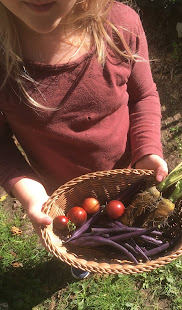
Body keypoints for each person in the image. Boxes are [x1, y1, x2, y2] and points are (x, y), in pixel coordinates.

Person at [0, 0, 168, 278]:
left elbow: (143, 96)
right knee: (78, 234)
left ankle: (97, 247)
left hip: (123, 177)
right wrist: (31, 193)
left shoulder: (120, 25)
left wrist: (147, 149)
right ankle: (79, 256)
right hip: (61, 192)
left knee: (117, 224)